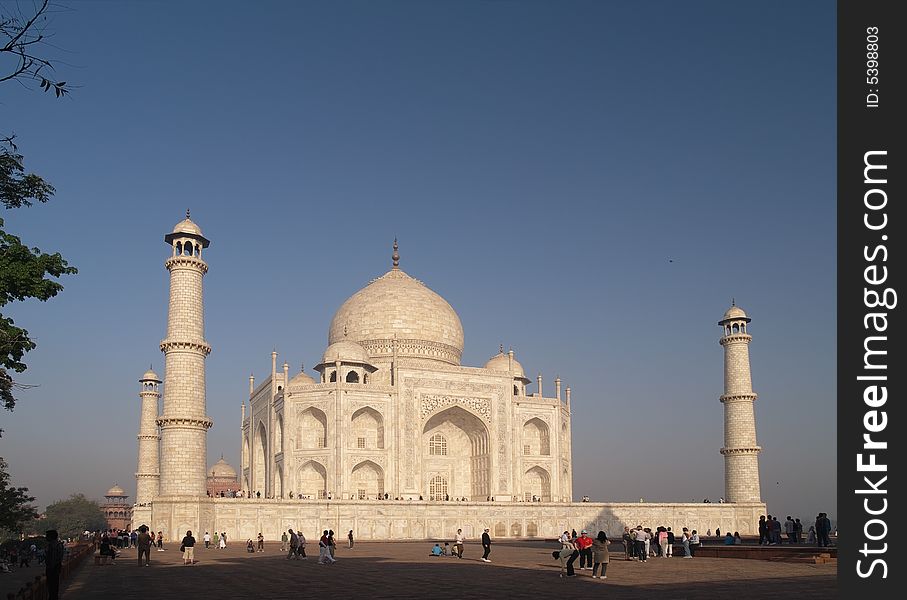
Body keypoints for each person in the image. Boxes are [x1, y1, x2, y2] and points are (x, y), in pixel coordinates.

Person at [45, 530, 65, 600]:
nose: (46, 537)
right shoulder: (59, 544)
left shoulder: (53, 546)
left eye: (47, 536)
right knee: (55, 585)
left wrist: (51, 567)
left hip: (52, 568)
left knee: (51, 585)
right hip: (57, 567)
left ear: (51, 537)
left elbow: (53, 559)